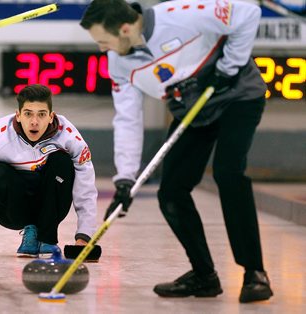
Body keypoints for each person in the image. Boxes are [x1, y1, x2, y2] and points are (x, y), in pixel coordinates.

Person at [80, 0, 273, 303]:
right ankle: (204, 276)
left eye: (104, 41)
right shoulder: (119, 64)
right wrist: (125, 178)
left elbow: (248, 14)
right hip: (193, 112)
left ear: (126, 28)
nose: (103, 49)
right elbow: (128, 120)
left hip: (237, 96)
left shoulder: (183, 15)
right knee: (171, 192)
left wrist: (229, 65)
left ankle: (254, 273)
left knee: (228, 172)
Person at [0, 84, 98, 258]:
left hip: (51, 203)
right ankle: (30, 228)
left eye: (41, 114)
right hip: (12, 210)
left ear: (51, 117)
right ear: (18, 115)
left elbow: (86, 186)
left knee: (62, 162)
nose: (34, 122)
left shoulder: (70, 137)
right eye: (28, 114)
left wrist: (84, 236)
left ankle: (47, 237)